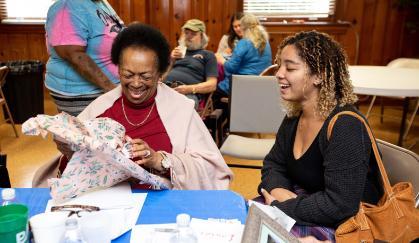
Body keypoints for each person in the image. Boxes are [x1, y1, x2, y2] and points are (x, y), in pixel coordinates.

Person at [51, 23, 232, 190]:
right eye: (128, 75)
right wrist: (70, 152)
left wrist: (159, 160)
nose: (136, 84)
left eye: (145, 76)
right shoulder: (101, 107)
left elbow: (212, 170)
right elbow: (72, 173)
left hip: (161, 204)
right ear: (118, 70)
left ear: (160, 73)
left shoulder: (181, 109)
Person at [258, 31, 383, 241]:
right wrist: (278, 189)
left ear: (319, 75)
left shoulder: (346, 125)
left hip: (346, 225)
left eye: (289, 67)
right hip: (306, 203)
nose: (279, 73)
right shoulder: (294, 117)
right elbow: (273, 164)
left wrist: (283, 207)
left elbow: (340, 205)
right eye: (280, 65)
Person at [45, 0, 124, 116]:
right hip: (83, 94)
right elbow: (74, 55)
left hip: (106, 90)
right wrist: (113, 90)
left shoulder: (99, 3)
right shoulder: (67, 6)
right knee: (85, 133)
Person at [164, 19, 218, 109]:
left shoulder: (208, 55)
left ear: (201, 36)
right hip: (166, 88)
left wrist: (189, 88)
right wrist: (171, 60)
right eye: (186, 33)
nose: (188, 36)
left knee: (182, 106)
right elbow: (161, 77)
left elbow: (212, 85)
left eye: (193, 34)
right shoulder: (178, 52)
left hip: (188, 94)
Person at [215, 13, 272, 97]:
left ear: (244, 28)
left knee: (215, 90)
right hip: (260, 85)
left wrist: (221, 60)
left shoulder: (244, 42)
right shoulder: (265, 42)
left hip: (243, 85)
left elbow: (231, 67)